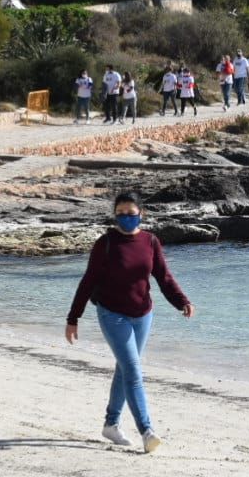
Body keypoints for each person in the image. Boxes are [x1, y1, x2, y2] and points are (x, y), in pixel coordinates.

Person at [65, 192, 193, 452]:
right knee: (133, 371)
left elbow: (163, 277)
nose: (126, 218)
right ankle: (147, 431)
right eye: (120, 214)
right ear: (114, 215)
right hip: (112, 314)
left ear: (141, 215)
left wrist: (182, 301)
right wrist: (73, 318)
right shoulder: (106, 243)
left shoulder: (150, 241)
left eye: (131, 214)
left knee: (125, 369)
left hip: (143, 314)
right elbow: (88, 281)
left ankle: (110, 425)